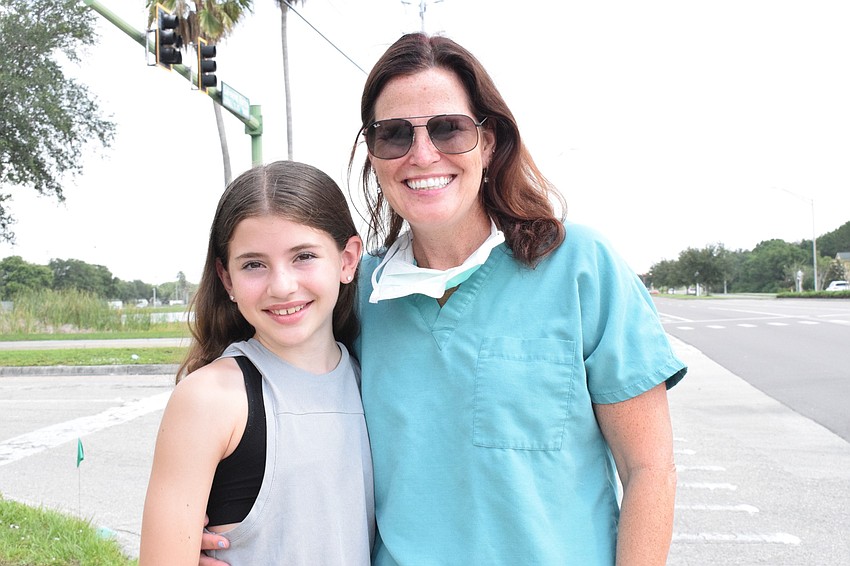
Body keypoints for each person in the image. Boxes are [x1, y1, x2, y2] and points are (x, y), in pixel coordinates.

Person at [200, 32, 687, 565]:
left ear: (490, 142)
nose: (423, 154)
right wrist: (217, 534)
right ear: (374, 156)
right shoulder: (353, 294)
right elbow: (272, 414)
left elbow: (649, 470)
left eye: (449, 129)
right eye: (393, 136)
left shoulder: (581, 267)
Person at [140, 160, 374, 566]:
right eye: (253, 264)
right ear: (227, 279)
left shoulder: (369, 378)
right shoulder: (211, 398)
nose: (281, 286)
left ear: (347, 260)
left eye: (303, 256)